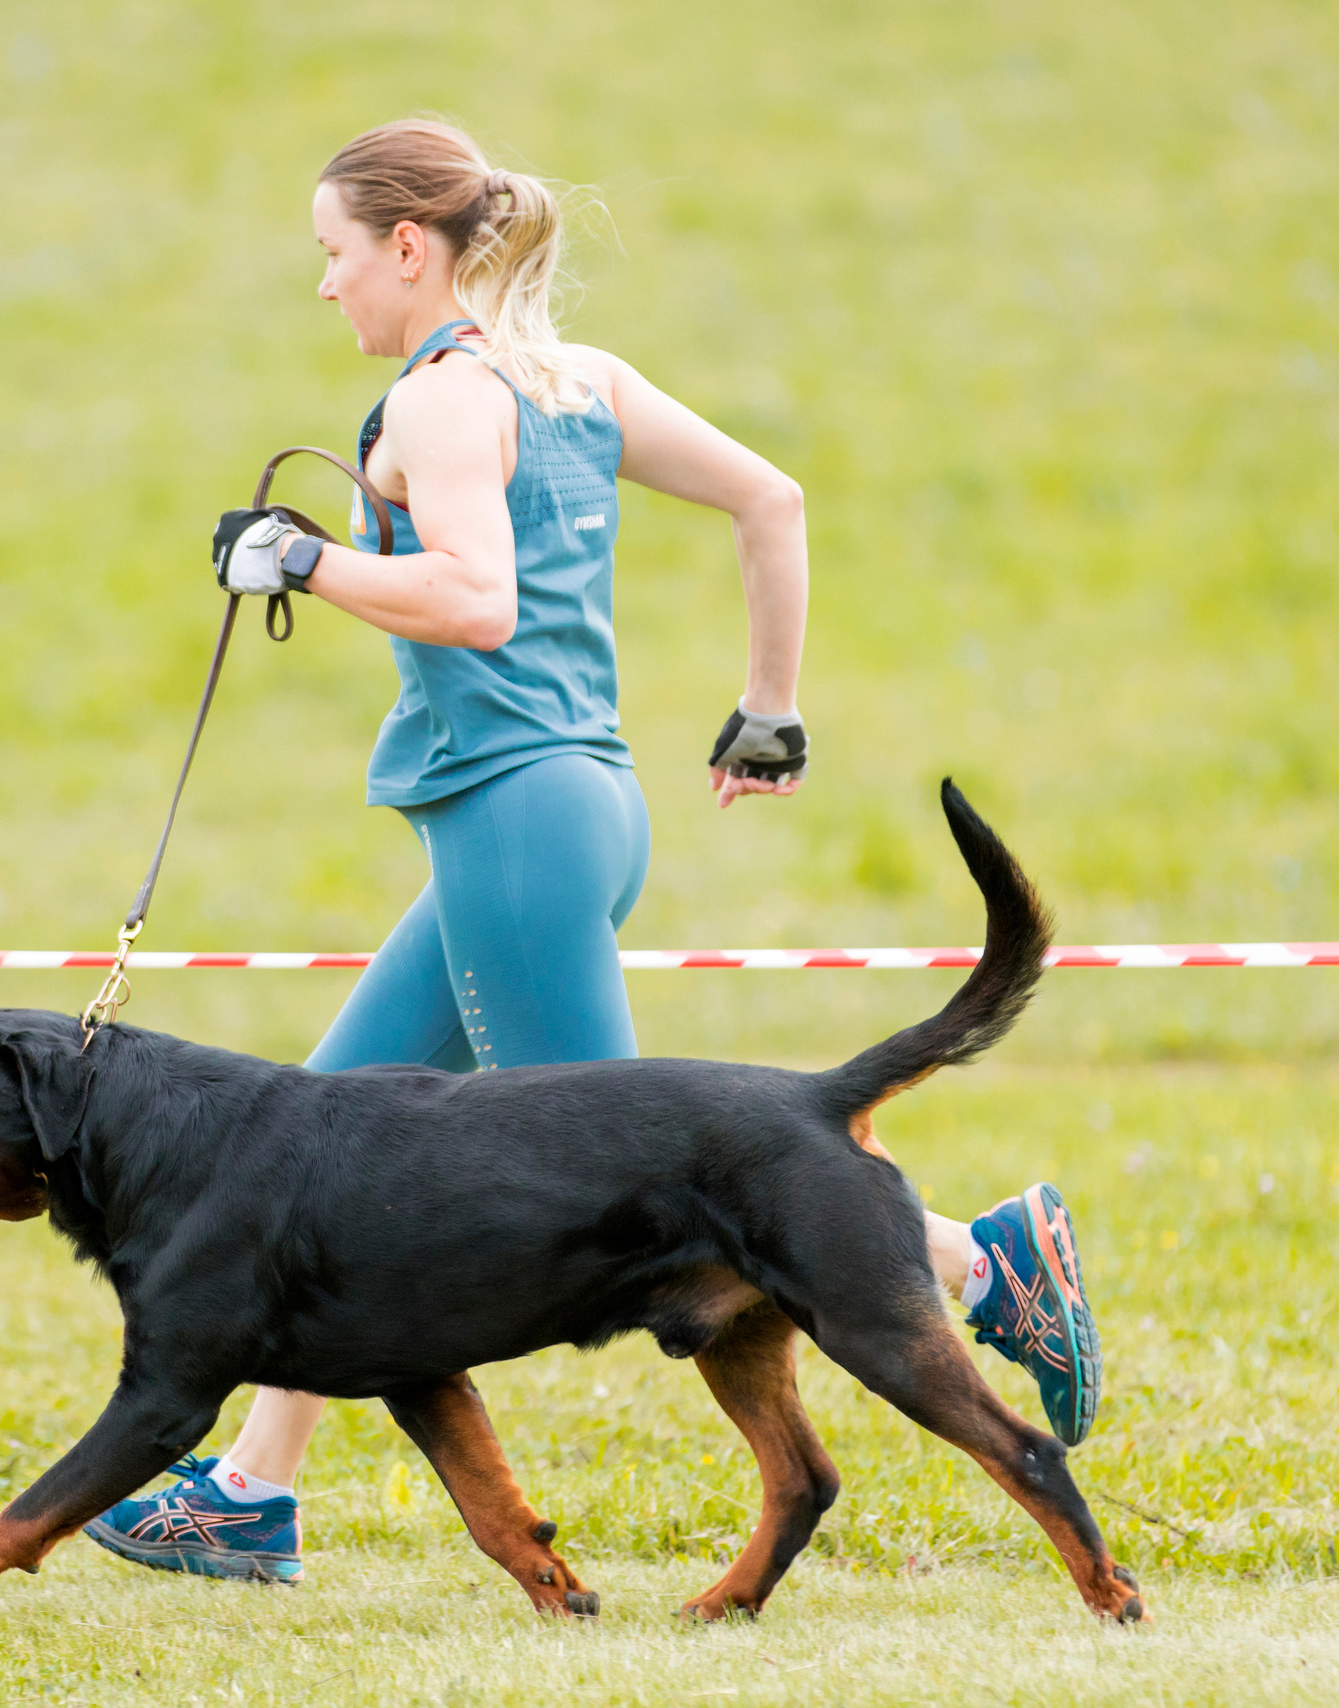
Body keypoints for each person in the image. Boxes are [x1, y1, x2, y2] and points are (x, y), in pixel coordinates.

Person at [84, 119, 1099, 1586]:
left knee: (672, 1174)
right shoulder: (578, 380)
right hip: (576, 811)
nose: (326, 285)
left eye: (334, 253)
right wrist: (769, 711)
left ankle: (986, 1266)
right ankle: (250, 1489)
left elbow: (475, 600)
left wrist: (305, 557)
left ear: (408, 249)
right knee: (320, 1150)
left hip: (517, 829)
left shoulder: (440, 402)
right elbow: (772, 500)